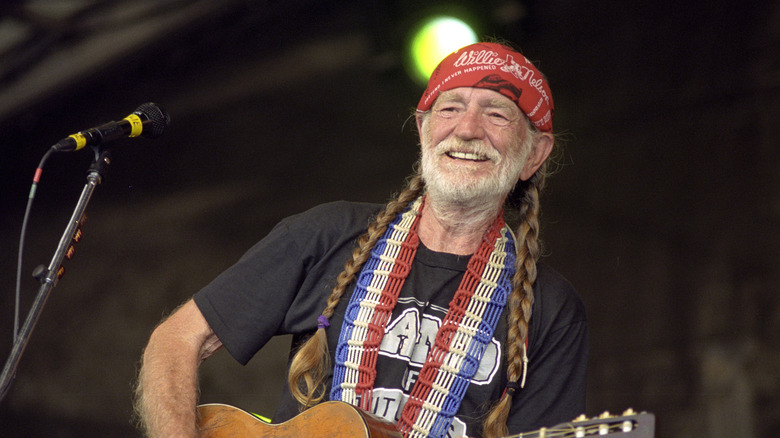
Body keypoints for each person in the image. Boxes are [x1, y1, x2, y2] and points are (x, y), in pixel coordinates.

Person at [134, 41, 588, 438]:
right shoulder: (326, 235)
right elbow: (175, 340)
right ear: (423, 129)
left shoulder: (551, 309)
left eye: (496, 114)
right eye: (450, 108)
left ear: (534, 154)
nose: (467, 129)